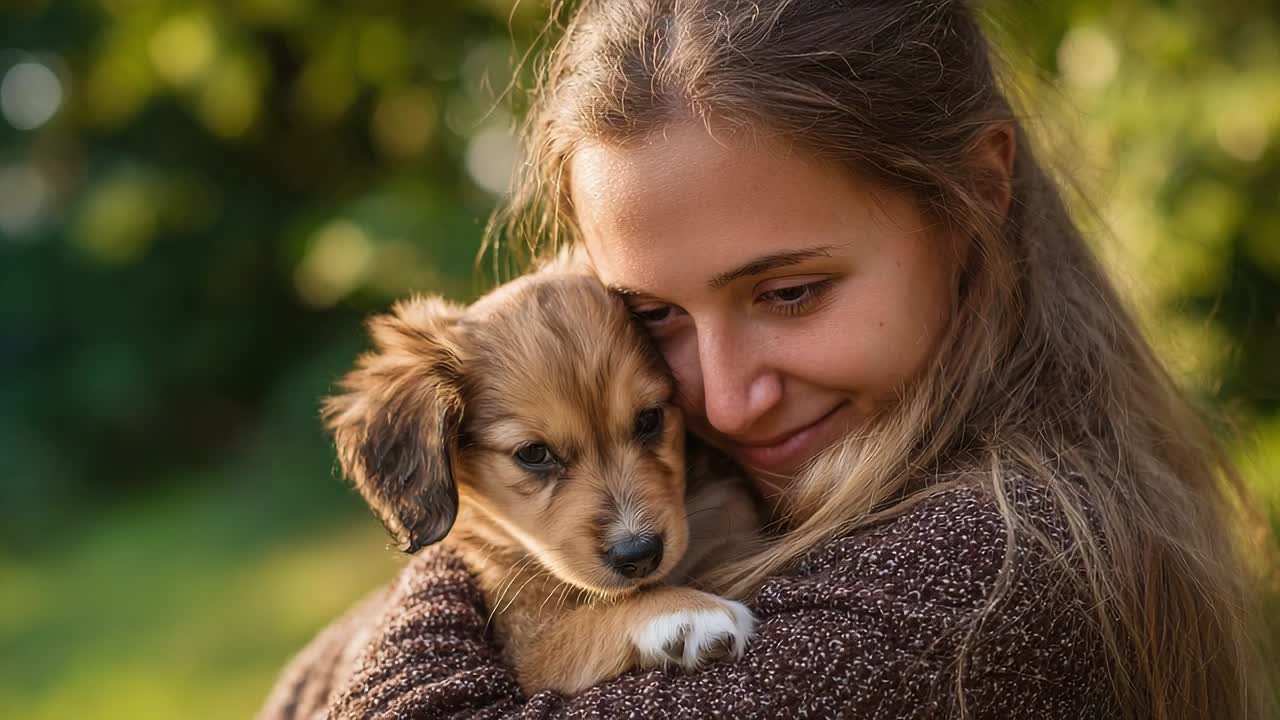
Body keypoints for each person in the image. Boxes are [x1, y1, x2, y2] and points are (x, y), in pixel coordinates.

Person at [259, 1, 1270, 718]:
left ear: (974, 192)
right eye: (652, 313)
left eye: (788, 293)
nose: (727, 403)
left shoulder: (974, 582)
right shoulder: (789, 484)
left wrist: (443, 571)